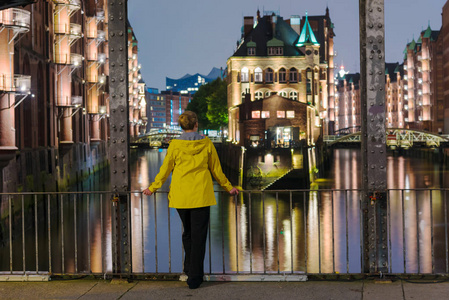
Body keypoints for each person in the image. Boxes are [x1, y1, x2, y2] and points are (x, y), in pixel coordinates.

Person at [143, 111, 239, 289]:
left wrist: (153, 187)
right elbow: (216, 170)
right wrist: (228, 187)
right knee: (199, 236)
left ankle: (189, 267)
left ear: (181, 126)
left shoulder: (174, 145)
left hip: (181, 195)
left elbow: (165, 170)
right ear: (196, 125)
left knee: (187, 232)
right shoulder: (207, 143)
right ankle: (195, 276)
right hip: (201, 195)